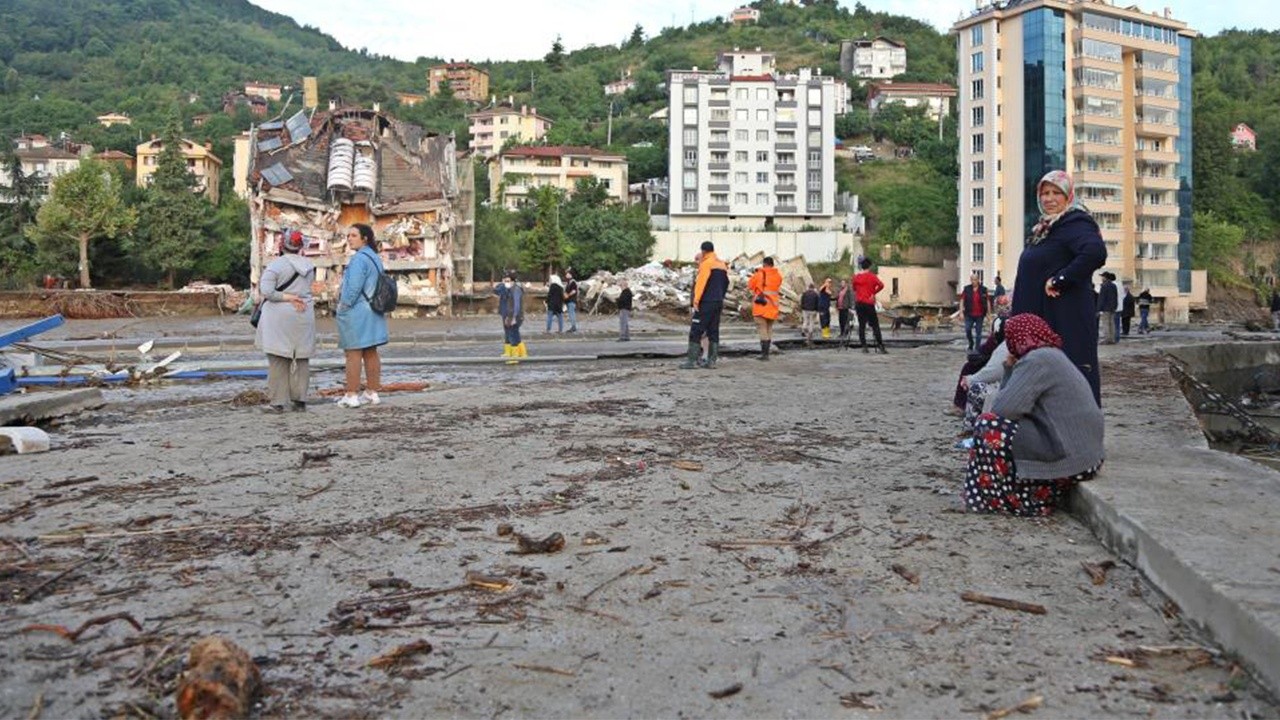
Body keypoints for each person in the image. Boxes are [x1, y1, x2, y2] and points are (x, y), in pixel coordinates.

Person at [962, 314, 1105, 516]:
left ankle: (1002, 499)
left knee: (988, 426)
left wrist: (1010, 368)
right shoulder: (1051, 354)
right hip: (1087, 455)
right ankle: (1010, 494)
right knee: (996, 425)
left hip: (1070, 457)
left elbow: (1003, 410)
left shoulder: (1036, 360)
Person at [1011, 169, 1107, 405]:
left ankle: (1080, 432)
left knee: (1072, 374)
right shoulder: (1044, 229)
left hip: (1064, 320)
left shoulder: (1075, 222)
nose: (1049, 198)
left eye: (1056, 192)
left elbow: (1095, 252)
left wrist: (1060, 280)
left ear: (1068, 196)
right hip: (1041, 320)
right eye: (1044, 193)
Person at [256, 230, 316, 413]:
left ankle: (278, 402)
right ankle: (300, 400)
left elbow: (267, 291)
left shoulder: (275, 266)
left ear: (282, 245)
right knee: (301, 358)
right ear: (300, 247)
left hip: (279, 316)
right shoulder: (309, 266)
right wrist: (295, 297)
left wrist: (286, 296)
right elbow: (307, 288)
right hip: (303, 314)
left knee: (278, 358)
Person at [335, 223, 389, 408]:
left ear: (364, 238)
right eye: (348, 235)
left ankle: (351, 395)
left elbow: (352, 288)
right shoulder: (375, 257)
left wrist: (343, 306)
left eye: (353, 235)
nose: (349, 238)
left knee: (353, 353)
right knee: (371, 352)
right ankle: (372, 392)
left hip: (357, 311)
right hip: (374, 310)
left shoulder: (359, 259)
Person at [680, 241, 729, 369]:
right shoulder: (722, 265)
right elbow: (726, 284)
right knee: (713, 331)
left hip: (706, 302)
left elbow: (701, 284)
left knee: (696, 331)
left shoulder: (706, 264)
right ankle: (711, 361)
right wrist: (720, 297)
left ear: (703, 251)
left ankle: (692, 361)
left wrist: (696, 301)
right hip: (718, 302)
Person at [748, 256, 783, 360]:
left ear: (764, 264)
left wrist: (757, 272)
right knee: (769, 329)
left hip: (761, 306)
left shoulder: (759, 274)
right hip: (773, 307)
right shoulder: (778, 276)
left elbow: (750, 285)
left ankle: (764, 355)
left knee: (762, 330)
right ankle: (766, 353)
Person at [852, 257, 887, 354]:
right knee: (875, 325)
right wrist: (873, 293)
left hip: (859, 303)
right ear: (869, 266)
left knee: (861, 325)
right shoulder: (872, 276)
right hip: (869, 303)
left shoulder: (856, 277)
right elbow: (881, 285)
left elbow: (854, 288)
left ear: (861, 267)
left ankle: (864, 347)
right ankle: (880, 346)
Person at [495, 270, 526, 359]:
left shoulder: (516, 289)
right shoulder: (506, 288)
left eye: (507, 280)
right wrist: (502, 284)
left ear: (513, 280)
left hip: (514, 316)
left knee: (513, 334)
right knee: (508, 333)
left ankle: (515, 354)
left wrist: (513, 318)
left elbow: (516, 305)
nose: (505, 282)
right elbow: (496, 291)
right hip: (507, 314)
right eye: (504, 280)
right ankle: (511, 353)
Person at [960, 273, 989, 351]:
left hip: (980, 314)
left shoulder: (983, 289)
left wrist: (988, 315)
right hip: (969, 314)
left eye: (975, 280)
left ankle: (977, 349)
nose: (973, 281)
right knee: (967, 329)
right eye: (972, 279)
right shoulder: (966, 289)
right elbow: (962, 300)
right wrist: (961, 312)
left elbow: (987, 302)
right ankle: (971, 342)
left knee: (978, 333)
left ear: (978, 280)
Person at [1097, 272, 1118, 345]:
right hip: (1112, 308)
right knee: (1112, 323)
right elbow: (1116, 297)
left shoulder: (1104, 286)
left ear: (1105, 277)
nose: (1102, 278)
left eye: (1102, 277)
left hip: (1105, 308)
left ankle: (1107, 339)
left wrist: (1098, 309)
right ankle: (1112, 339)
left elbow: (1101, 298)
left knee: (1105, 324)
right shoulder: (1114, 285)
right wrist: (1115, 306)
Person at [800, 283, 820, 347]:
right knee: (811, 322)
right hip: (813, 310)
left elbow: (802, 301)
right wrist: (817, 310)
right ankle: (810, 332)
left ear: (808, 287)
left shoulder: (804, 293)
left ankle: (803, 329)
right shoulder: (816, 294)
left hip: (805, 310)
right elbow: (818, 303)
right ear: (813, 288)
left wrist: (802, 308)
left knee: (805, 321)